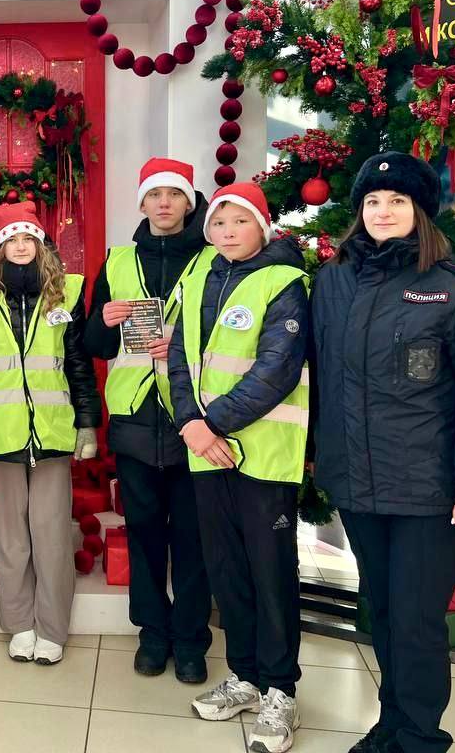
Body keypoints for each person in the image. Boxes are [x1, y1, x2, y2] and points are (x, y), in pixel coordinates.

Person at [311, 153, 455, 753]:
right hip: (358, 483)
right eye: (373, 201)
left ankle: (422, 738)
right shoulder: (334, 280)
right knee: (380, 614)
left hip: (430, 492)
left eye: (397, 201)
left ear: (419, 212)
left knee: (419, 622)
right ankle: (392, 727)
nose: (382, 212)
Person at [167, 182, 309, 753]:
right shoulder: (200, 274)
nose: (227, 231)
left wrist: (210, 424)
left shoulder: (285, 282)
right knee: (226, 568)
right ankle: (246, 677)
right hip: (206, 449)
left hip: (264, 455)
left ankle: (281, 690)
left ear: (262, 227)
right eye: (219, 222)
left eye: (239, 221)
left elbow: (276, 370)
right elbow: (180, 355)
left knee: (270, 574)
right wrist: (188, 423)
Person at [83, 157, 213, 681]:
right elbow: (93, 343)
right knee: (142, 534)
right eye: (154, 196)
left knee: (192, 538)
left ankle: (191, 639)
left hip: (194, 420)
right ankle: (152, 634)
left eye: (174, 195)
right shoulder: (116, 262)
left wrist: (179, 344)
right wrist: (104, 319)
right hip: (136, 421)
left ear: (189, 202)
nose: (164, 204)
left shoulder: (212, 259)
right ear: (142, 204)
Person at [0, 201, 100, 664]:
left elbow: (79, 364)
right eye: (12, 240)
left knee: (52, 532)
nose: (21, 247)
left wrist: (87, 422)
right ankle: (19, 623)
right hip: (1, 431)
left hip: (54, 430)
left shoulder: (68, 293)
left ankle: (52, 628)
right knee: (12, 535)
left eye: (28, 239)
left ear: (41, 245)